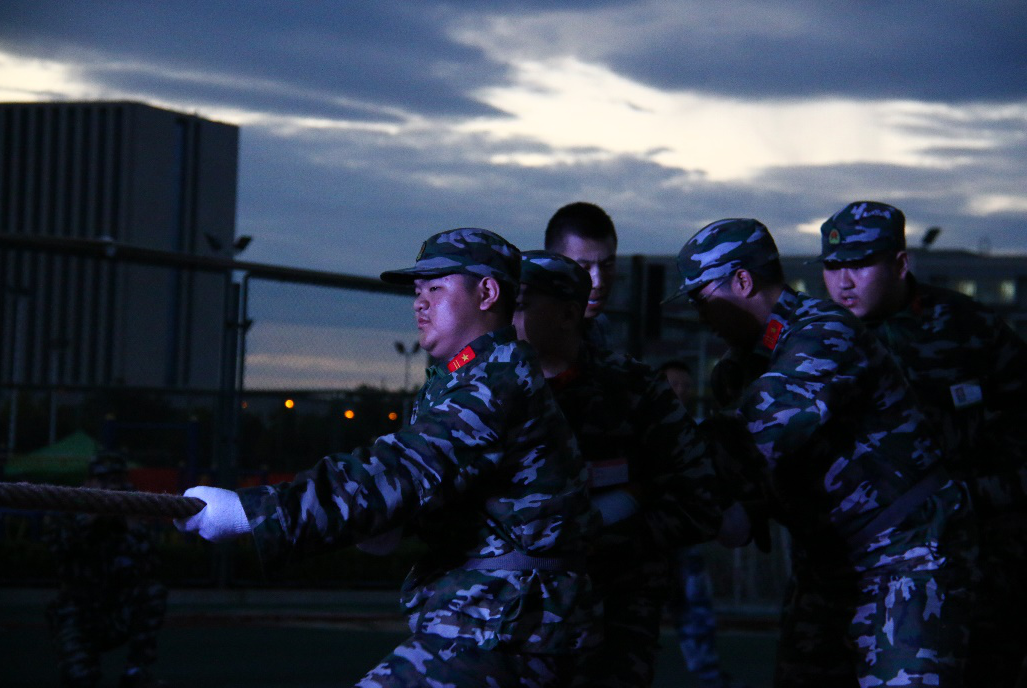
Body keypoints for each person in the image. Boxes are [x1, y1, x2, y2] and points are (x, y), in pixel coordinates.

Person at [176, 228, 602, 687]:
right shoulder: (465, 377)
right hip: (495, 618)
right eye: (417, 292)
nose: (419, 303)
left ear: (487, 293)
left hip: (513, 624)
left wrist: (251, 512)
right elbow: (443, 488)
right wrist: (393, 521)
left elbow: (403, 468)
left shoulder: (496, 379)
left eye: (436, 288)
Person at [667, 218, 976, 687]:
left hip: (906, 558)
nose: (699, 313)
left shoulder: (824, 333)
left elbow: (755, 433)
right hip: (827, 566)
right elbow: (742, 481)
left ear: (743, 281)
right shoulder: (736, 369)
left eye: (701, 296)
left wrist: (651, 449)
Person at [819, 200, 1027, 687]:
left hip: (970, 561)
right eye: (832, 266)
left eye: (860, 264)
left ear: (899, 263)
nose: (844, 281)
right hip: (843, 567)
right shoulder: (814, 339)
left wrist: (980, 495)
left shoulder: (967, 327)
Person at [512, 250, 721, 687]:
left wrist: (605, 529)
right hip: (510, 621)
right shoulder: (488, 391)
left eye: (520, 305)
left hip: (614, 618)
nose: (503, 320)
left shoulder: (634, 390)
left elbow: (699, 498)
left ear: (568, 314)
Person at [656, 360, 747, 688]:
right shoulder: (641, 427)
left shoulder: (698, 431)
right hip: (647, 538)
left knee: (695, 611)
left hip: (683, 538)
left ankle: (709, 677)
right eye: (673, 384)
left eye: (685, 385)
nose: (680, 390)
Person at [45, 451, 168, 688]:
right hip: (79, 615)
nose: (112, 487)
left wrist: (133, 526)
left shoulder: (129, 517)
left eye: (117, 480)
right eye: (104, 480)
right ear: (89, 482)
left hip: (116, 612)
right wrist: (90, 517)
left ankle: (136, 671)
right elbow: (59, 550)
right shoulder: (69, 512)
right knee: (81, 680)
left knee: (152, 592)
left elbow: (152, 565)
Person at [544, 201, 619, 347]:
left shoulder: (599, 327)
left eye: (607, 265)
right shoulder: (528, 331)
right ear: (552, 265)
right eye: (584, 268)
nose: (598, 282)